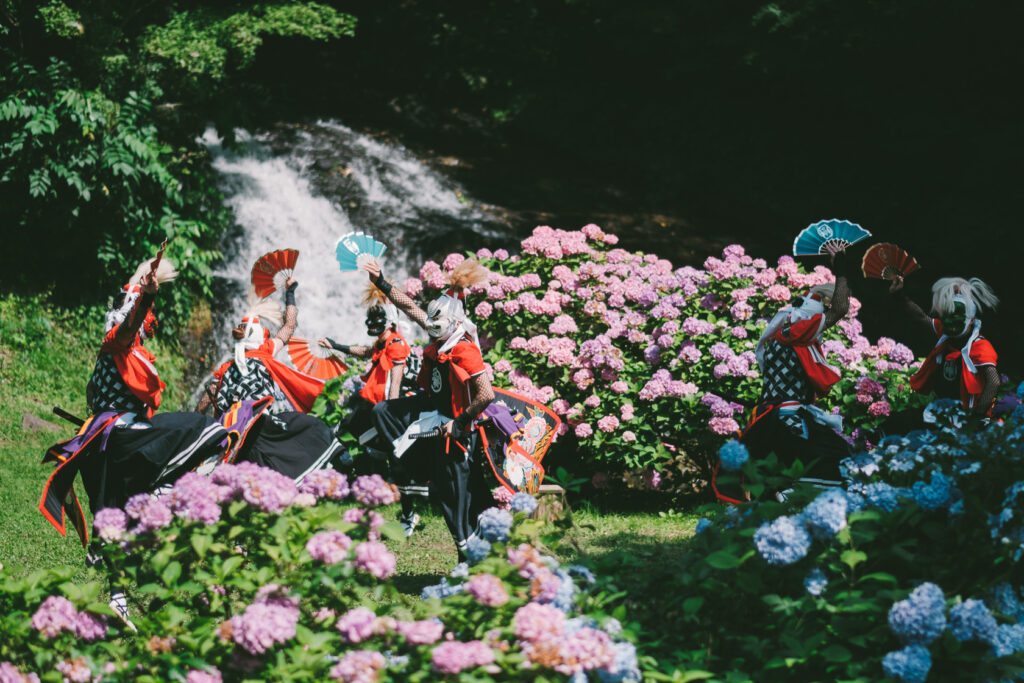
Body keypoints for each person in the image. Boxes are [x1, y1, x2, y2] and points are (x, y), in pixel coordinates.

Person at [42, 254, 233, 628]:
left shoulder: (118, 355)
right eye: (146, 319)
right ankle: (164, 495)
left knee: (116, 525)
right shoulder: (117, 342)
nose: (148, 327)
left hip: (103, 443)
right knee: (210, 432)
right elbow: (129, 326)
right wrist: (145, 297)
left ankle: (117, 603)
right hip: (119, 437)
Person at [363, 257, 495, 561]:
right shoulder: (440, 329)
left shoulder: (465, 349)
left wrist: (459, 422)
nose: (431, 331)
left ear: (455, 324)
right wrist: (381, 280)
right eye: (430, 327)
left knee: (456, 501)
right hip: (433, 413)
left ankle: (471, 557)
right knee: (383, 412)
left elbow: (485, 395)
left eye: (437, 328)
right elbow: (410, 307)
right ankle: (413, 470)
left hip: (458, 431)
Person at [718, 244, 851, 501]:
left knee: (774, 472)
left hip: (770, 417)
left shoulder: (780, 336)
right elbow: (841, 309)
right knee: (835, 456)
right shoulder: (798, 334)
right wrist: (842, 270)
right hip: (790, 418)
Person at [195, 279, 340, 480]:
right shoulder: (264, 352)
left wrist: (198, 431)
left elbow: (205, 400)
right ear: (259, 338)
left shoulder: (224, 368)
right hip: (264, 424)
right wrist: (290, 292)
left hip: (234, 433)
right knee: (305, 428)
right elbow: (289, 326)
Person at [319, 286, 425, 536]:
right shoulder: (382, 343)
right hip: (372, 407)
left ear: (389, 321)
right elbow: (367, 352)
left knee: (397, 463)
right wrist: (337, 346)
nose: (373, 323)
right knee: (344, 431)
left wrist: (390, 414)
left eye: (378, 319)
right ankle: (351, 470)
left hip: (388, 410)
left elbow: (395, 383)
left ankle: (408, 515)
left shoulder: (397, 344)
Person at [890, 275, 1000, 418]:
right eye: (945, 315)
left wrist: (977, 417)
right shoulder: (944, 332)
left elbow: (994, 382)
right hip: (944, 412)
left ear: (971, 319)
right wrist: (899, 295)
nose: (948, 321)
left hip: (967, 418)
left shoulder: (980, 347)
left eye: (955, 316)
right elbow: (920, 317)